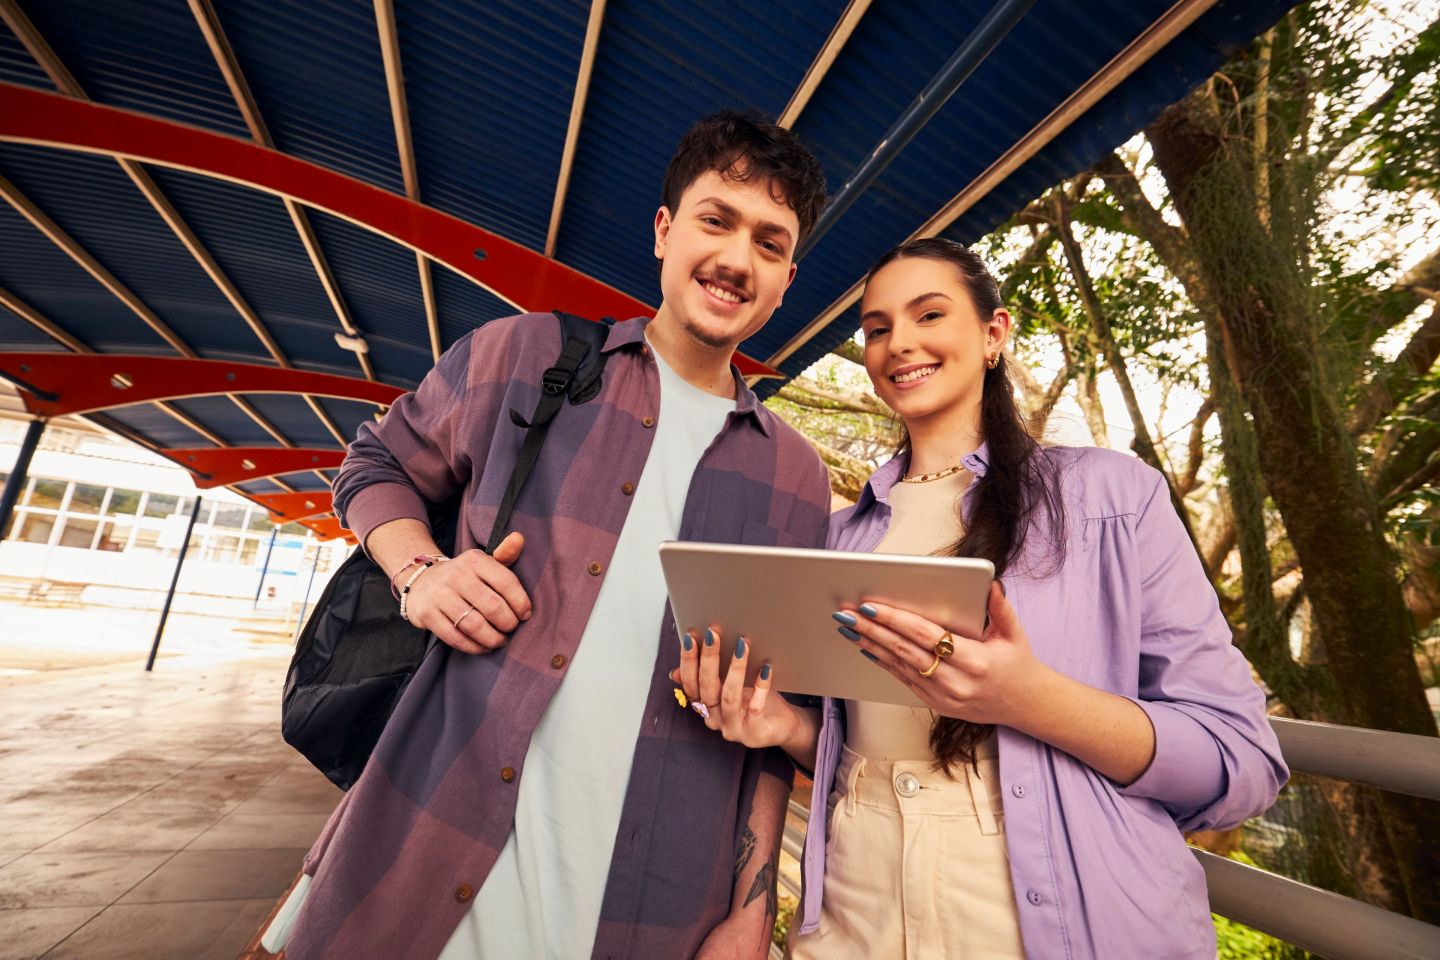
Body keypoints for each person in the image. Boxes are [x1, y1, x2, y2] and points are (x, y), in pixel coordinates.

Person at [265, 111, 832, 960]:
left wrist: (753, 909)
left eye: (770, 241)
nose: (736, 259)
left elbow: (778, 706)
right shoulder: (526, 356)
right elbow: (374, 463)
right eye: (716, 220)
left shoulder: (795, 475)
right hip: (430, 843)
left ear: (788, 277)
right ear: (665, 231)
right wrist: (422, 574)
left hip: (657, 896)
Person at [673, 237, 1289, 959]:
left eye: (929, 314)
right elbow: (860, 748)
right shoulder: (837, 535)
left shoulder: (1112, 499)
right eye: (877, 329)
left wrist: (1027, 699)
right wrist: (782, 726)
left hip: (1031, 917)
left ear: (994, 334)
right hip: (853, 899)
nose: (899, 342)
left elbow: (1243, 763)